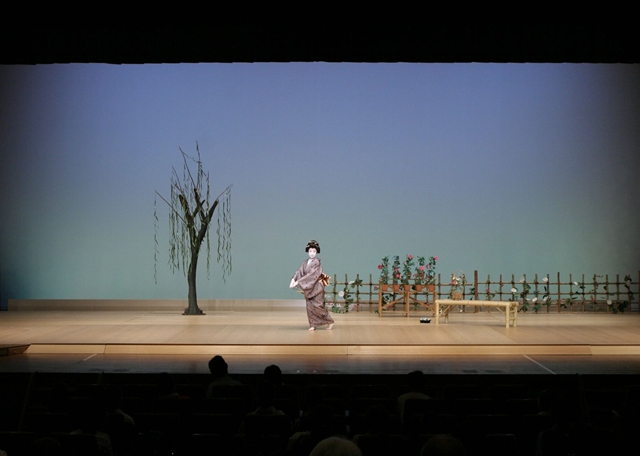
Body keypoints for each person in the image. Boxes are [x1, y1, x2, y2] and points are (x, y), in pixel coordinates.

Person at [290, 240, 334, 331]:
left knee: (317, 306)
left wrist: (298, 282)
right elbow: (299, 272)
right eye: (310, 251)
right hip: (309, 288)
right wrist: (293, 279)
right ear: (308, 251)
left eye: (314, 251)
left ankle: (329, 321)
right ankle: (313, 324)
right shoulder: (305, 262)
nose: (312, 253)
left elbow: (311, 275)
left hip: (316, 287)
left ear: (317, 252)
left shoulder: (317, 262)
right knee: (309, 307)